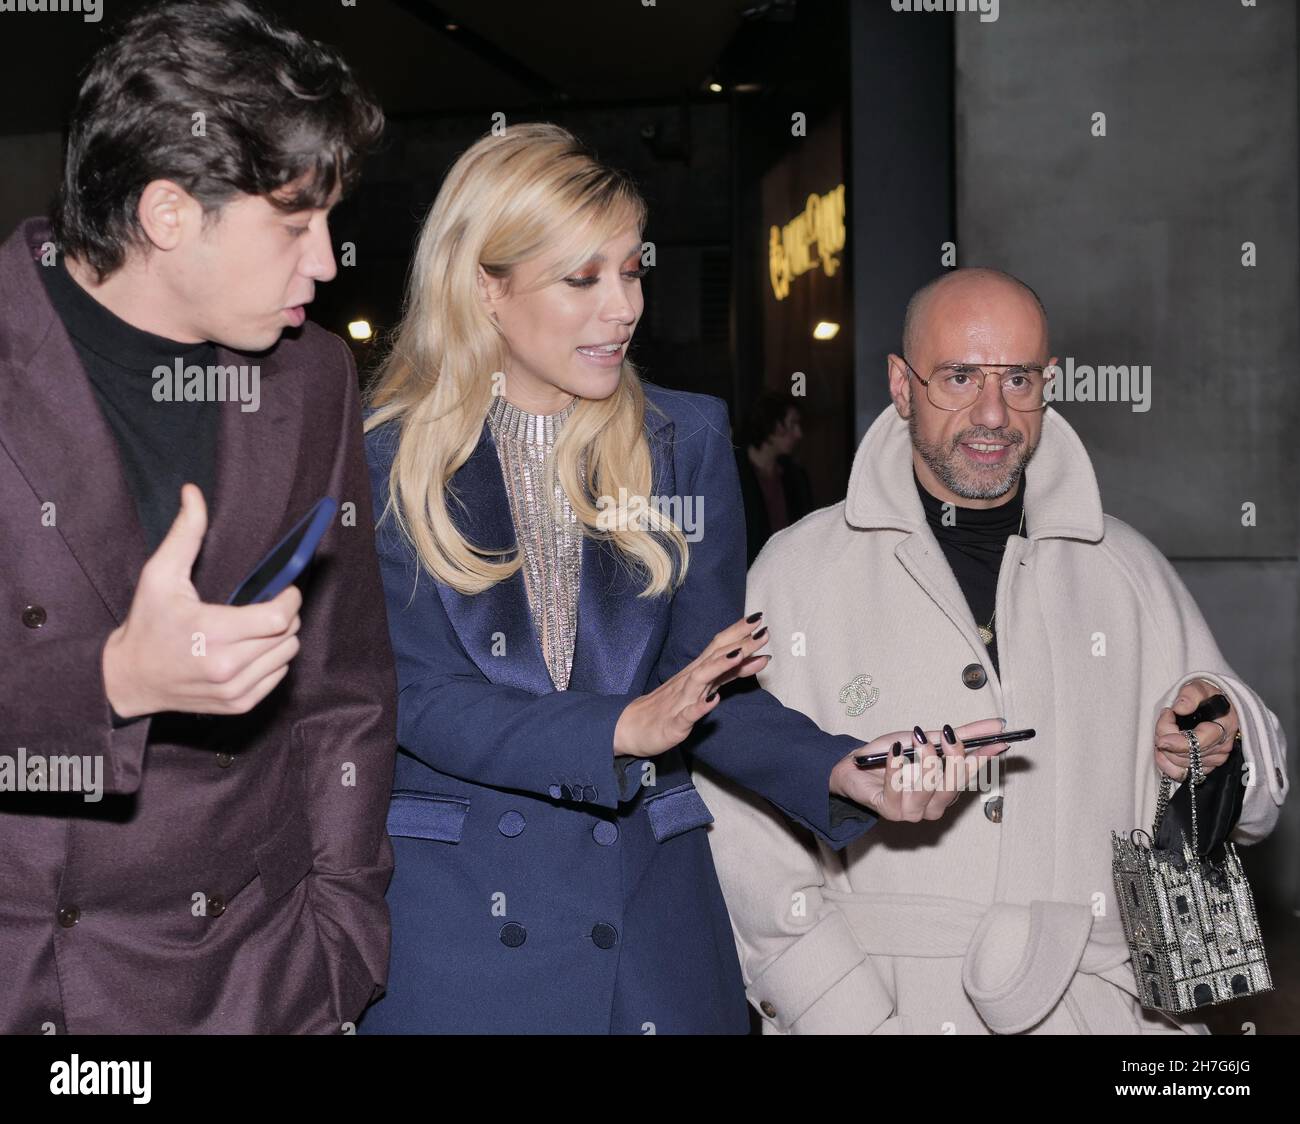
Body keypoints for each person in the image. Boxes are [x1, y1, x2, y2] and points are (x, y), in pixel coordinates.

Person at [359, 123, 1010, 1034]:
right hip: (460, 928)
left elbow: (716, 693)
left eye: (631, 269)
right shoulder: (383, 458)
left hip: (648, 927)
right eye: (581, 278)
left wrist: (843, 767)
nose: (622, 306)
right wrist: (619, 726)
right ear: (484, 287)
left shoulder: (683, 440)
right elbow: (415, 698)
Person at [693, 267, 1289, 1034]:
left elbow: (1254, 806)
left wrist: (1220, 735)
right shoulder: (798, 569)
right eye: (960, 376)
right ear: (902, 387)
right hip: (893, 1009)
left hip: (1106, 1009)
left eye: (1018, 378)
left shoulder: (1128, 568)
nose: (992, 412)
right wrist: (834, 1007)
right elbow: (738, 817)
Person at [0, 0, 395, 1033]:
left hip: (255, 980)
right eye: (294, 223)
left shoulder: (311, 376)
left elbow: (344, 685)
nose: (324, 262)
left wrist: (341, 936)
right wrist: (114, 682)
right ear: (170, 214)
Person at [736, 393, 814, 565]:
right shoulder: (734, 474)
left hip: (788, 571)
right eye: (792, 424)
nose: (798, 434)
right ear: (772, 425)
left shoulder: (795, 476)